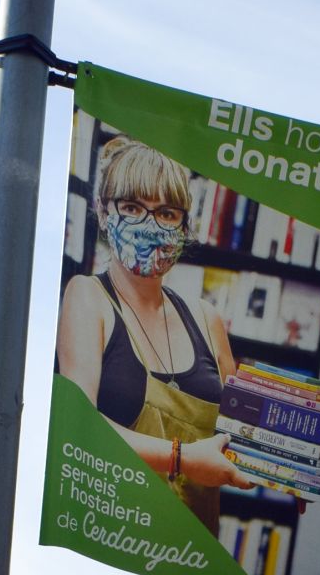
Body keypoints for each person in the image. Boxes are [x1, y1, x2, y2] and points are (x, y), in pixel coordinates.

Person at [57, 133, 251, 533]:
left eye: (165, 213)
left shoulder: (207, 318)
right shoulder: (87, 298)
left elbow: (241, 432)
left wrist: (289, 471)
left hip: (192, 551)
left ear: (184, 223)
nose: (149, 226)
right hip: (111, 536)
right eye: (132, 207)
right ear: (103, 211)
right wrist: (181, 458)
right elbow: (76, 425)